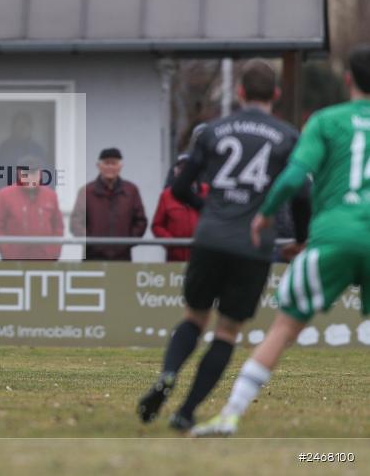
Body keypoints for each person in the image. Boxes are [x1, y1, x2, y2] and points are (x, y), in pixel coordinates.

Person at [192, 47, 370, 437]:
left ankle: (230, 416)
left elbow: (293, 179)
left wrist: (266, 214)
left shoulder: (326, 121)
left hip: (334, 234)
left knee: (285, 328)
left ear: (347, 80)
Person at [137, 60, 309, 432]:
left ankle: (167, 374)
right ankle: (186, 410)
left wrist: (209, 208)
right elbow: (302, 195)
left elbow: (179, 188)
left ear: (240, 92)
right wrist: (300, 239)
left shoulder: (213, 130)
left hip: (211, 238)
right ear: (276, 95)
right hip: (254, 245)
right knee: (227, 331)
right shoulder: (288, 137)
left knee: (194, 317)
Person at [69, 148, 147, 260]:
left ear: (120, 166)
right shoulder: (86, 192)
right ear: (98, 166)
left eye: (114, 163)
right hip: (92, 257)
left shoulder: (131, 191)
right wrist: (90, 241)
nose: (110, 167)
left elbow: (140, 221)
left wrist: (128, 242)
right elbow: (76, 222)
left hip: (123, 258)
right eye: (106, 163)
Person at [0, 156, 64, 260]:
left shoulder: (50, 196)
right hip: (14, 261)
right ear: (19, 174)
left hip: (45, 260)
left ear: (40, 174)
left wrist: (54, 252)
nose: (30, 177)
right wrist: (8, 252)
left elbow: (58, 227)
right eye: (26, 174)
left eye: (34, 174)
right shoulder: (5, 195)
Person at [152, 154, 209, 262]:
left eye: (188, 168)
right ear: (176, 171)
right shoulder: (166, 195)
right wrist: (171, 243)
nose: (185, 172)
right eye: (181, 168)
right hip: (175, 259)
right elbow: (157, 225)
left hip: (202, 257)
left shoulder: (207, 192)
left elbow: (217, 219)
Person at [0, 112, 48, 190]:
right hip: (10, 190)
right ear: (13, 128)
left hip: (33, 192)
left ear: (30, 128)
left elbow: (44, 173)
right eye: (18, 127)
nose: (21, 130)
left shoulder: (37, 149)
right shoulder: (5, 148)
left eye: (24, 127)